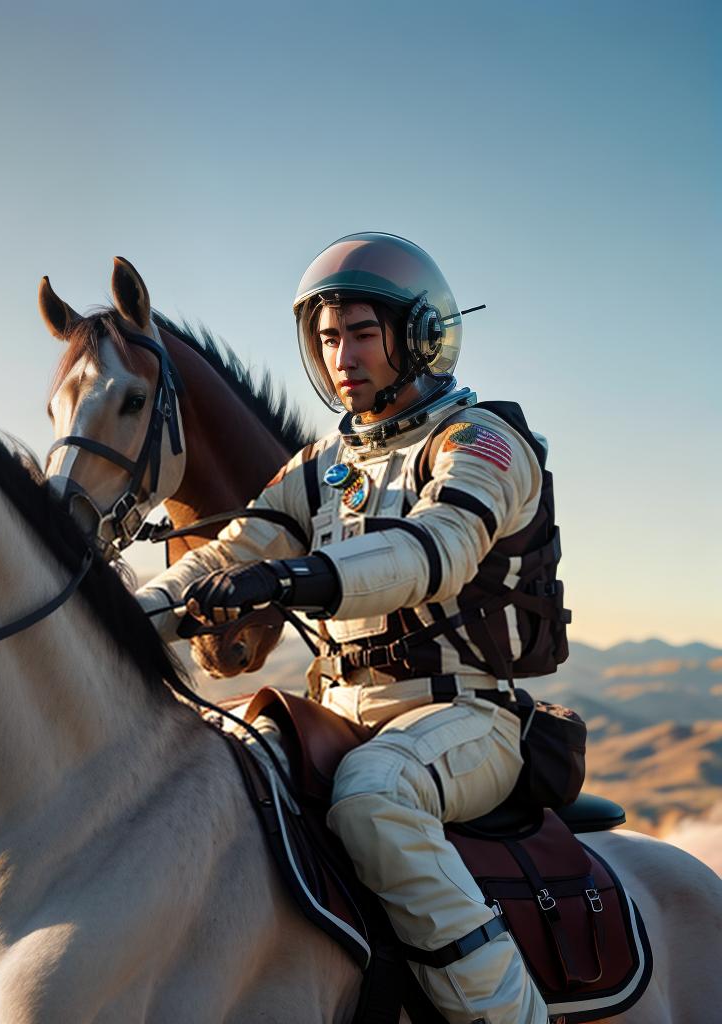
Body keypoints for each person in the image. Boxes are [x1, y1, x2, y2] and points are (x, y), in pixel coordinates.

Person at [137, 232, 566, 1024]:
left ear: (422, 338)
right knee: (201, 784)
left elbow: (430, 552)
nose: (343, 357)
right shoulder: (320, 463)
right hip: (337, 716)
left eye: (363, 334)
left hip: (463, 717)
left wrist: (290, 578)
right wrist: (121, 617)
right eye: (328, 338)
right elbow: (230, 553)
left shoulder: (483, 441)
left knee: (373, 797)